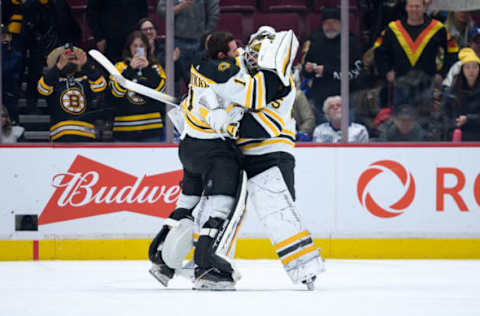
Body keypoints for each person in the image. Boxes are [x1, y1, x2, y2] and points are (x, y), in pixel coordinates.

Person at [149, 28, 324, 291]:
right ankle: (191, 265)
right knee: (217, 210)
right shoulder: (238, 66)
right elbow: (217, 87)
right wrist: (206, 110)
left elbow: (262, 124)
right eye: (250, 49)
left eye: (258, 51)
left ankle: (305, 269)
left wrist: (224, 121)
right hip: (231, 152)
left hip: (270, 153)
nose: (251, 56)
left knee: (278, 211)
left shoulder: (280, 82)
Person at [148, 32, 244, 291]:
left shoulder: (198, 68)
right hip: (214, 151)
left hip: (189, 147)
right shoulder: (224, 70)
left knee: (186, 205)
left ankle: (161, 261)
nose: (240, 54)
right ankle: (207, 268)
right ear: (222, 56)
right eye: (236, 50)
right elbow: (233, 106)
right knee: (221, 209)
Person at [302, 6, 364, 124]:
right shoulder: (314, 40)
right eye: (327, 23)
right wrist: (308, 69)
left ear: (341, 23)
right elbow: (304, 71)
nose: (330, 26)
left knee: (349, 136)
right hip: (321, 99)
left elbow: (356, 72)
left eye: (334, 22)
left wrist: (327, 71)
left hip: (347, 97)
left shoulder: (351, 42)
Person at [374, 0, 459, 86]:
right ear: (406, 7)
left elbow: (453, 50)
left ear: (424, 7)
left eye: (417, 6)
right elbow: (378, 49)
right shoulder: (393, 28)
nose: (414, 9)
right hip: (400, 85)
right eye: (411, 6)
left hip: (428, 85)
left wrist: (442, 74)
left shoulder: (438, 28)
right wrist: (386, 71)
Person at [37, 44, 107, 142]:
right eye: (65, 58)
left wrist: (86, 64)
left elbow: (101, 85)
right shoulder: (52, 81)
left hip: (86, 134)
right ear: (58, 61)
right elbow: (42, 89)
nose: (69, 61)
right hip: (60, 135)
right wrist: (58, 67)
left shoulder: (85, 80)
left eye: (73, 58)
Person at [109, 31, 167, 142]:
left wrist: (147, 69)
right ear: (129, 47)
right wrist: (130, 69)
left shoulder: (155, 67)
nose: (137, 49)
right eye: (134, 45)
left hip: (151, 129)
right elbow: (116, 92)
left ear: (146, 48)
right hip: (124, 129)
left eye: (141, 46)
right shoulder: (119, 67)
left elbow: (162, 92)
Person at [156, 0, 219, 84]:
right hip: (176, 41)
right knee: (175, 79)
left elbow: (214, 12)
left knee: (200, 79)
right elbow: (161, 12)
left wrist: (206, 31)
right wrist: (179, 7)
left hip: (199, 42)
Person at [444, 48, 480, 141]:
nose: (471, 71)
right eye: (467, 67)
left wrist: (469, 119)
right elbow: (446, 112)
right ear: (462, 70)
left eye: (474, 67)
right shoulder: (454, 89)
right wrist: (455, 123)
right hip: (459, 133)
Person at [1, 24, 22, 124]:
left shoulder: (16, 55)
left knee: (12, 123)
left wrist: (4, 48)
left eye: (5, 35)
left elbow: (5, 70)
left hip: (9, 94)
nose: (3, 38)